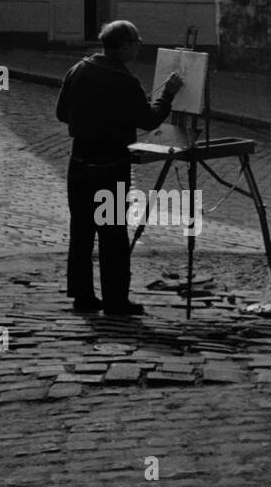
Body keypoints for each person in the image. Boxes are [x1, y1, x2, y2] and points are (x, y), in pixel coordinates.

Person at [56, 21, 182, 317]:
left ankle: (83, 296)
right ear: (124, 45)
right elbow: (150, 120)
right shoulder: (125, 82)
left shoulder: (78, 70)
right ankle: (115, 301)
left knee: (82, 232)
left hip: (79, 165)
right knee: (112, 235)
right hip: (110, 169)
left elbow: (62, 113)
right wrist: (169, 95)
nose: (139, 46)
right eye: (137, 41)